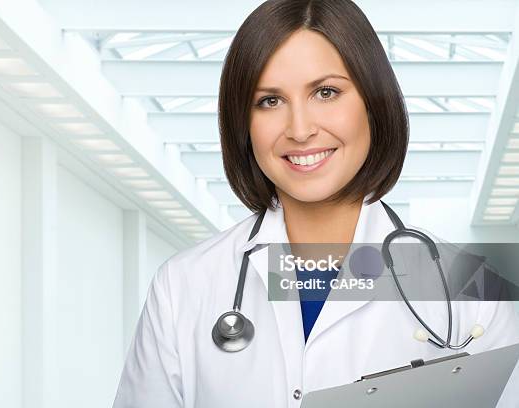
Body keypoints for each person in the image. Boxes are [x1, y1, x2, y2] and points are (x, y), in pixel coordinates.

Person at [112, 0, 519, 407]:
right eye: (269, 101)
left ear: (373, 104)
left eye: (326, 92)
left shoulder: (472, 291)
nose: (301, 130)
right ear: (243, 122)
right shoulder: (183, 286)